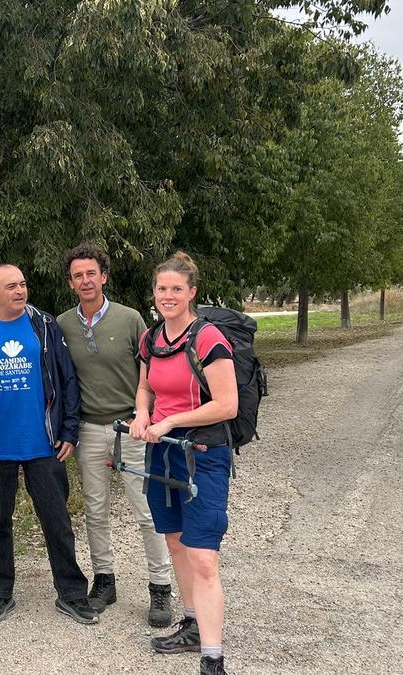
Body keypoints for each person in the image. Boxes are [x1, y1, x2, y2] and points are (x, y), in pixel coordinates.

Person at [0, 264, 98, 625]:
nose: (20, 291)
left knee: (57, 520)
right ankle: (0, 594)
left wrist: (68, 431)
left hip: (43, 444)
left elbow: (67, 379)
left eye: (22, 284)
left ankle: (72, 593)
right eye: (11, 286)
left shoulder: (45, 325)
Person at [129, 252, 237, 675]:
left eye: (177, 289)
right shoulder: (151, 338)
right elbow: (144, 387)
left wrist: (170, 419)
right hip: (164, 450)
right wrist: (142, 414)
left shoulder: (209, 339)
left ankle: (213, 658)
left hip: (203, 454)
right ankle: (191, 624)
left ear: (192, 292)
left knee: (203, 556)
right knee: (174, 541)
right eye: (161, 289)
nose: (168, 296)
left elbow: (227, 405)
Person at [56, 244, 174, 626]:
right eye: (78, 275)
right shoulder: (63, 325)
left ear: (103, 276)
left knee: (147, 511)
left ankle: (160, 587)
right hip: (88, 429)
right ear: (71, 282)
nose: (86, 280)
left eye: (92, 273)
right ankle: (104, 580)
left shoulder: (129, 319)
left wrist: (146, 416)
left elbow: (150, 372)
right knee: (95, 510)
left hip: (131, 427)